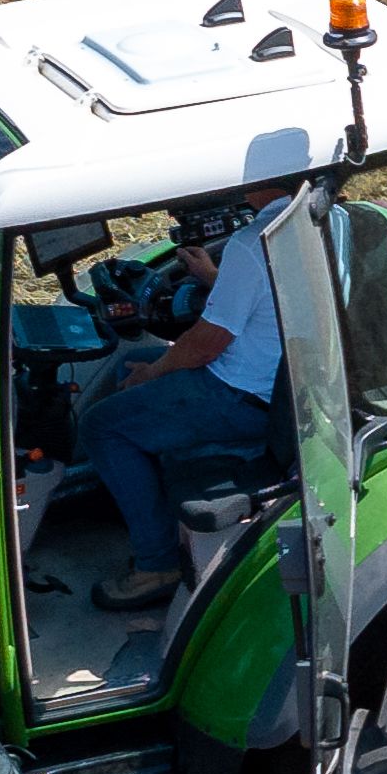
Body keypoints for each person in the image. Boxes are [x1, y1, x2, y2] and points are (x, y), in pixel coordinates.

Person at [80, 216, 286, 608]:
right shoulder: (315, 221)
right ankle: (150, 515)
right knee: (135, 360)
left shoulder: (249, 242)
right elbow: (278, 294)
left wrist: (152, 376)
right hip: (273, 381)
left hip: (241, 397)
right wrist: (213, 278)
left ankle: (156, 564)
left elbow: (204, 345)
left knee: (101, 426)